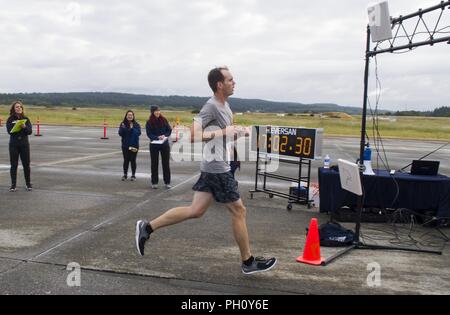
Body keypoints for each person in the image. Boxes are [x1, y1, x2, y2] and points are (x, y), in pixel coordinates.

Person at [136, 67, 277, 275]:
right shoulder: (210, 106)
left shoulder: (226, 107)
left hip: (216, 166)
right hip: (217, 169)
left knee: (196, 210)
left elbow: (222, 137)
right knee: (239, 210)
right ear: (219, 84)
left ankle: (146, 228)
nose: (234, 82)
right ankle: (248, 262)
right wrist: (225, 131)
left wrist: (237, 134)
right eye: (230, 79)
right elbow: (193, 136)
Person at [6, 101, 33, 192]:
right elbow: (9, 131)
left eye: (20, 107)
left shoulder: (26, 119)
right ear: (14, 109)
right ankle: (13, 185)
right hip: (14, 145)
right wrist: (17, 126)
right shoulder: (10, 119)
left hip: (24, 145)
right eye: (17, 107)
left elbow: (29, 132)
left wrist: (24, 127)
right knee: (14, 165)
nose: (19, 108)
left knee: (26, 164)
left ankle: (28, 184)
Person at [146, 105, 172, 189]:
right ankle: (154, 182)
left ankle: (167, 182)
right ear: (152, 112)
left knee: (166, 164)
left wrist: (164, 135)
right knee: (154, 164)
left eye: (159, 110)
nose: (158, 112)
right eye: (156, 111)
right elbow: (149, 134)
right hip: (154, 145)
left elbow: (169, 130)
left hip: (164, 144)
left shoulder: (164, 120)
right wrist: (157, 137)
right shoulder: (149, 122)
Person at [118, 110, 141, 181]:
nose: (130, 116)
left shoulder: (136, 124)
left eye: (131, 115)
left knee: (133, 160)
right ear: (126, 116)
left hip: (134, 146)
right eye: (128, 115)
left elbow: (138, 133)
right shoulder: (123, 124)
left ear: (133, 116)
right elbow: (120, 133)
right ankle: (125, 175)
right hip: (125, 146)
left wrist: (131, 129)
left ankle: (133, 175)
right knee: (126, 160)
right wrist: (125, 129)